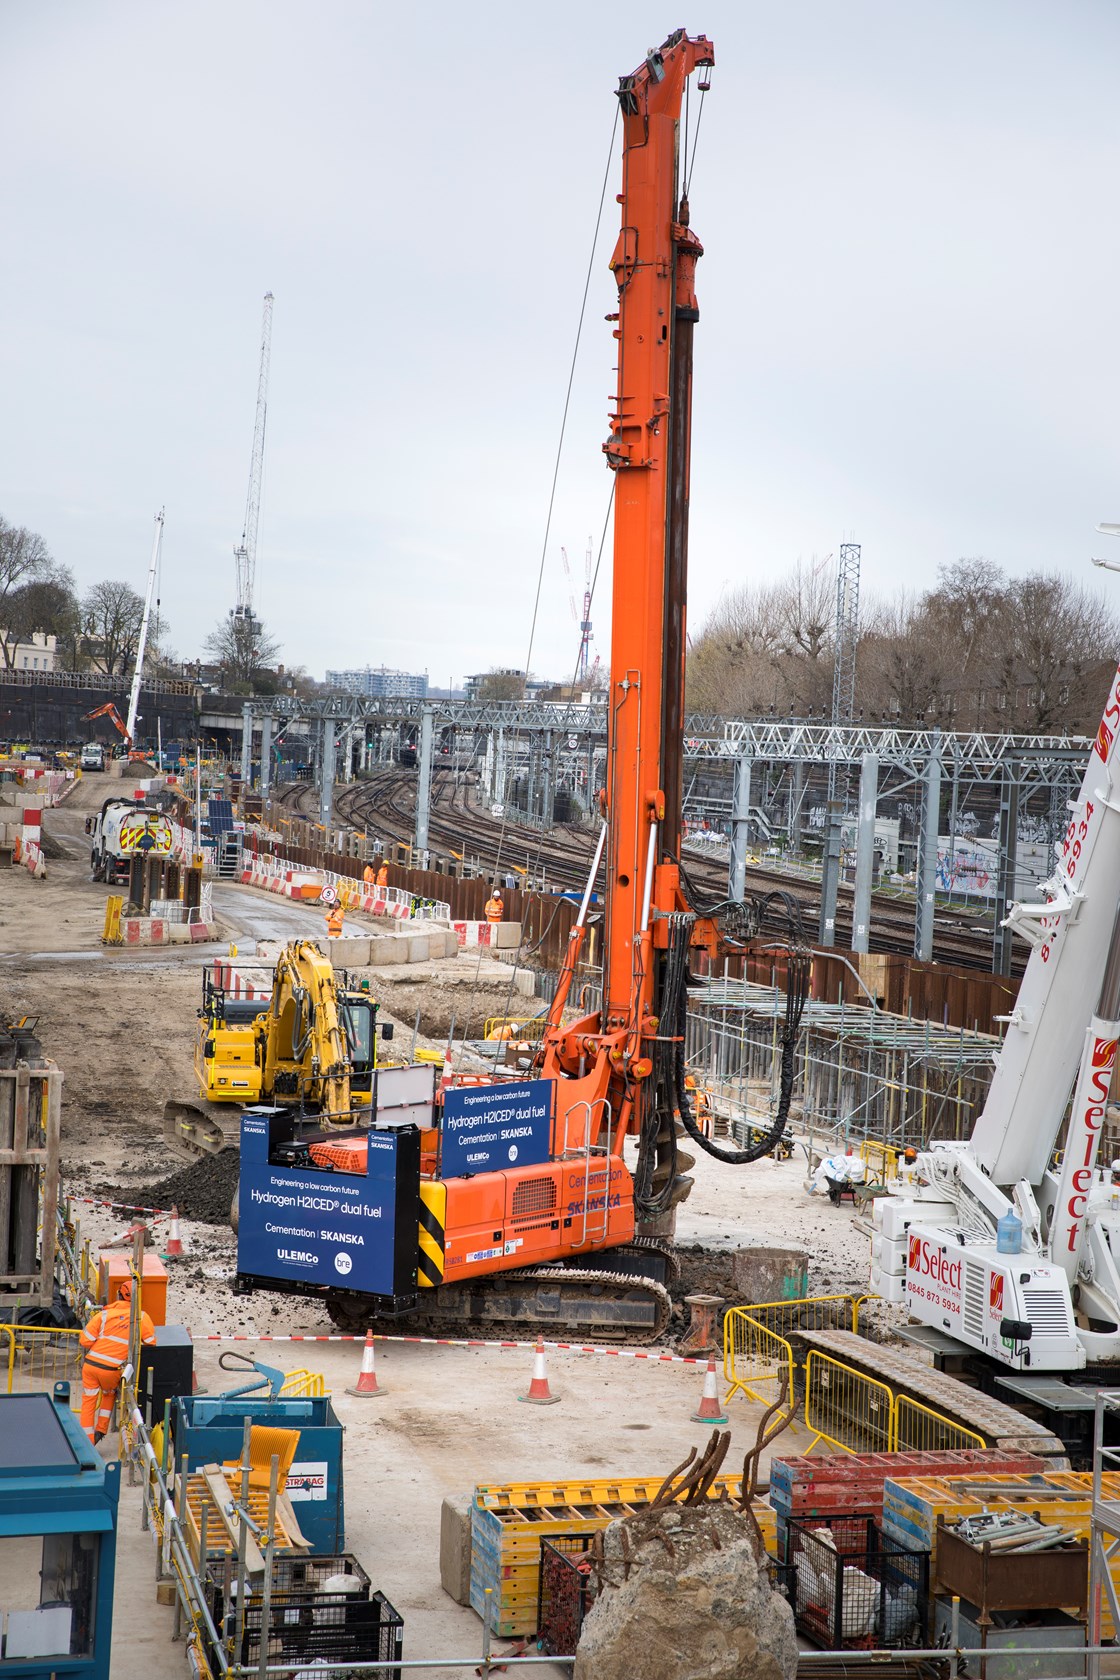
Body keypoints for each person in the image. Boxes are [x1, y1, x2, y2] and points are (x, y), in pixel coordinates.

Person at [79, 1280, 156, 1444]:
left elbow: (85, 1341)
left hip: (91, 1365)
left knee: (88, 1401)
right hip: (112, 1369)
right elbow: (150, 1341)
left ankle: (86, 1441)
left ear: (118, 1295)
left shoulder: (104, 1315)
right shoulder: (141, 1317)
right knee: (109, 1393)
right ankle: (101, 1429)